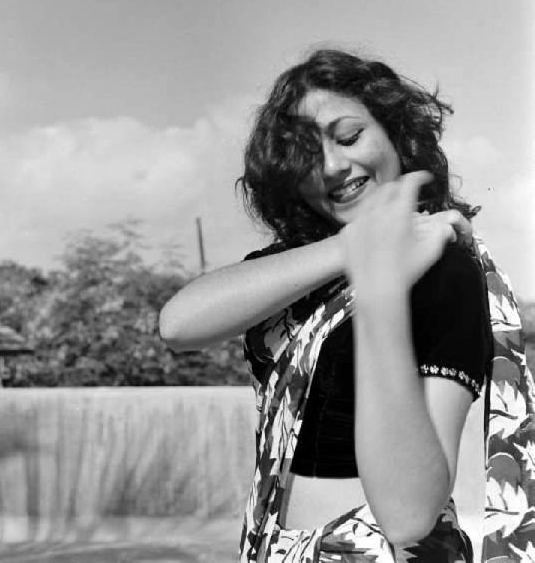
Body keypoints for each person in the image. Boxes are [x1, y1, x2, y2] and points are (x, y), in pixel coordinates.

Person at [159, 49, 532, 562]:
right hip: (277, 545)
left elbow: (408, 516)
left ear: (395, 132)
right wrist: (356, 247)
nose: (333, 166)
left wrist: (382, 290)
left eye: (349, 137)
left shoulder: (442, 267)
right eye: (305, 155)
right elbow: (179, 325)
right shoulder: (306, 265)